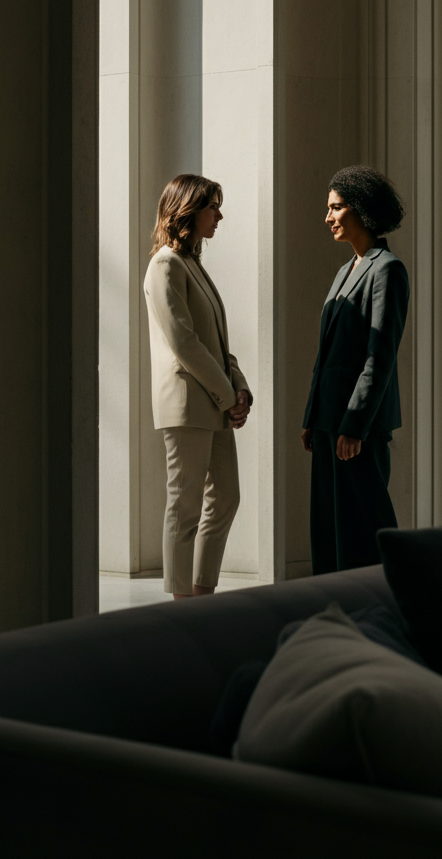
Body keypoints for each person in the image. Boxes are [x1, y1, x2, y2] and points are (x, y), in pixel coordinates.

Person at [144, 174, 252, 599]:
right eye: (213, 207)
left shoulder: (192, 265)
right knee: (184, 506)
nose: (219, 216)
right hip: (189, 405)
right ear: (188, 210)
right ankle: (180, 604)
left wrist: (239, 388)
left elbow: (218, 343)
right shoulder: (165, 264)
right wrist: (227, 397)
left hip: (215, 402)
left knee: (225, 498)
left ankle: (201, 593)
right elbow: (183, 341)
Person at [301, 165, 410, 574]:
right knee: (330, 526)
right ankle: (332, 603)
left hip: (355, 427)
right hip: (329, 421)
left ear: (361, 209)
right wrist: (314, 416)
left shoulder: (386, 269)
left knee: (364, 522)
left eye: (337, 207)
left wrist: (354, 425)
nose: (328, 217)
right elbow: (327, 355)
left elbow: (379, 357)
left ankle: (382, 600)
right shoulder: (344, 271)